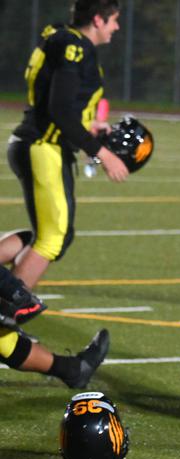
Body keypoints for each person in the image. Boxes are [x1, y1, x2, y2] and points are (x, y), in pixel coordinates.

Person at [3, 0, 129, 290]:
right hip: (43, 147)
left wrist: (88, 127)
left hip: (36, 143)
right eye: (114, 20)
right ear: (98, 20)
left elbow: (58, 105)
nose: (117, 27)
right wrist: (102, 154)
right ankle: (5, 321)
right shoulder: (76, 48)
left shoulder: (65, 39)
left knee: (52, 235)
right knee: (52, 239)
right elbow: (59, 111)